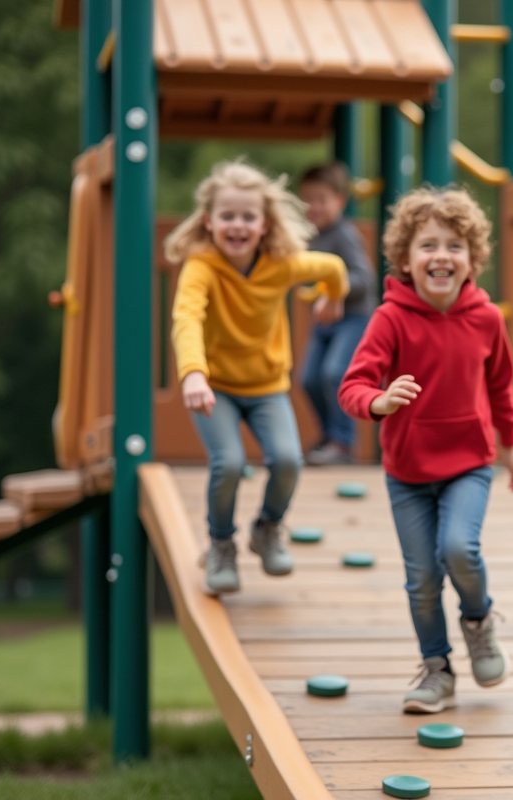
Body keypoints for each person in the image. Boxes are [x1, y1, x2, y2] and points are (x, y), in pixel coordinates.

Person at [338, 186, 513, 714]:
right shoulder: (390, 319)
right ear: (404, 259)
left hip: (469, 464)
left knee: (458, 550)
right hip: (407, 473)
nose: (441, 256)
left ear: (472, 260)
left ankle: (478, 620)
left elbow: (500, 386)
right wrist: (380, 401)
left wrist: (509, 445)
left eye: (454, 246)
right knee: (421, 579)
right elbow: (351, 386)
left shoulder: (486, 319)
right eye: (427, 246)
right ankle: (437, 669)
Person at [167, 159, 349, 596]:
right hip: (216, 389)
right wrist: (193, 374)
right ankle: (221, 543)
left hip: (267, 387)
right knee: (228, 464)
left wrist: (333, 300)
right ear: (209, 221)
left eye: (247, 217)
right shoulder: (202, 267)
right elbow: (186, 317)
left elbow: (333, 270)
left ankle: (267, 529)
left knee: (287, 461)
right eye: (227, 216)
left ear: (264, 224)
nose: (238, 225)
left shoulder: (281, 265)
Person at [298, 162, 378, 465]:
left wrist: (334, 292)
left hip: (353, 318)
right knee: (309, 379)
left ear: (339, 202)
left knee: (335, 373)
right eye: (308, 199)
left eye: (321, 199)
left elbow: (364, 279)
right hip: (325, 323)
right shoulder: (312, 237)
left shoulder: (344, 235)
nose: (313, 206)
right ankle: (329, 435)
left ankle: (344, 444)